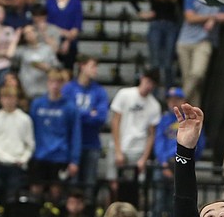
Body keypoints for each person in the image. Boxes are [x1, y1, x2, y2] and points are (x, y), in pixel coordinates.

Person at [151, 86, 203, 217]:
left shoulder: (192, 119)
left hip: (182, 165)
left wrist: (186, 162)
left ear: (183, 101)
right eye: (170, 99)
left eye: (176, 99)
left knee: (179, 204)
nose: (172, 102)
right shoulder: (164, 120)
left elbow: (199, 144)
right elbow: (158, 143)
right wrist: (163, 163)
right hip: (164, 166)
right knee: (158, 203)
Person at [175, 0, 224, 106]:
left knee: (197, 74)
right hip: (185, 41)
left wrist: (215, 19)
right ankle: (194, 118)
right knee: (190, 81)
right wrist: (211, 17)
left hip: (204, 41)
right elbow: (190, 17)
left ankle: (178, 103)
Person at [29, 69, 81, 197]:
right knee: (36, 189)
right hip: (39, 154)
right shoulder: (37, 104)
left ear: (63, 85)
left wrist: (74, 160)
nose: (55, 86)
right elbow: (29, 129)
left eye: (58, 82)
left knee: (56, 191)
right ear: (47, 83)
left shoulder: (70, 108)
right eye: (52, 82)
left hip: (60, 155)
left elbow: (75, 134)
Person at [63, 55, 109, 197]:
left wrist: (79, 114)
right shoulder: (69, 89)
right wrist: (90, 113)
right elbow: (67, 115)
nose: (96, 70)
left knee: (89, 185)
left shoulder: (99, 91)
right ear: (82, 66)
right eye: (93, 66)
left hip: (92, 144)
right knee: (72, 186)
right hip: (71, 145)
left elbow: (101, 117)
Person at [0, 85, 33, 203]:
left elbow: (29, 144)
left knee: (12, 200)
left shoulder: (25, 119)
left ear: (17, 99)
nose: (9, 101)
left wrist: (24, 158)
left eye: (12, 97)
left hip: (16, 164)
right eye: (6, 97)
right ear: (1, 100)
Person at [109, 69, 161, 186]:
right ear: (142, 78)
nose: (149, 86)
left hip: (137, 149)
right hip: (120, 144)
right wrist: (117, 150)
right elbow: (115, 122)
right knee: (114, 185)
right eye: (148, 82)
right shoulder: (124, 94)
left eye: (152, 84)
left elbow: (151, 134)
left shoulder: (154, 105)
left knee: (134, 186)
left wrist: (144, 158)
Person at [134, 0, 180, 90]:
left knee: (168, 62)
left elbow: (182, 8)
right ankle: (153, 91)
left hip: (171, 26)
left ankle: (168, 92)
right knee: (155, 61)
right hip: (156, 25)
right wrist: (142, 13)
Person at [44, 0, 82, 66]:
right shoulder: (50, 1)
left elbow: (77, 24)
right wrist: (60, 33)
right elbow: (46, 23)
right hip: (52, 41)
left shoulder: (76, 2)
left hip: (70, 42)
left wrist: (68, 40)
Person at [14, 24, 58, 101]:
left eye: (31, 31)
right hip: (28, 92)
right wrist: (16, 38)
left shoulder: (47, 49)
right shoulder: (22, 50)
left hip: (45, 90)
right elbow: (9, 54)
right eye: (26, 33)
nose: (29, 34)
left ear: (37, 33)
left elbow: (56, 68)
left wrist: (47, 69)